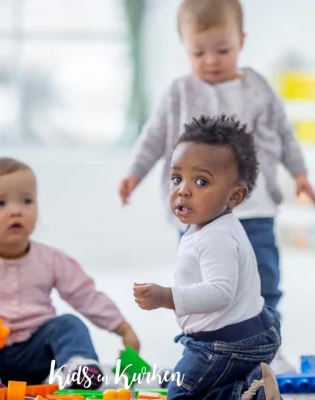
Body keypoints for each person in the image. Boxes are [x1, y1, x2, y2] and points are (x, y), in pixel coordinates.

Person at [119, 0, 315, 373]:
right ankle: (203, 352)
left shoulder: (257, 88)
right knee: (200, 286)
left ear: (241, 41)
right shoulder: (178, 92)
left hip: (253, 210)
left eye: (222, 50)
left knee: (264, 283)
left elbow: (285, 134)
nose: (211, 60)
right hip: (196, 216)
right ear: (184, 45)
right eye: (198, 52)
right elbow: (154, 136)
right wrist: (135, 173)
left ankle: (265, 353)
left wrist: (300, 173)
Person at [0, 157, 140, 388]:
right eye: (0, 203)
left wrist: (122, 327)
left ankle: (80, 369)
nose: (16, 211)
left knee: (69, 323)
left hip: (36, 354)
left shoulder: (50, 259)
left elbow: (86, 295)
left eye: (27, 201)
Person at [133, 115, 281, 399]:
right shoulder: (210, 226)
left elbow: (220, 292)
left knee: (180, 394)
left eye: (201, 181)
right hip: (246, 333)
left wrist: (167, 297)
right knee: (202, 384)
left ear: (234, 196)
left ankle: (249, 394)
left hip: (227, 344)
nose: (183, 190)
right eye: (177, 178)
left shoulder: (217, 236)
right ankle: (249, 382)